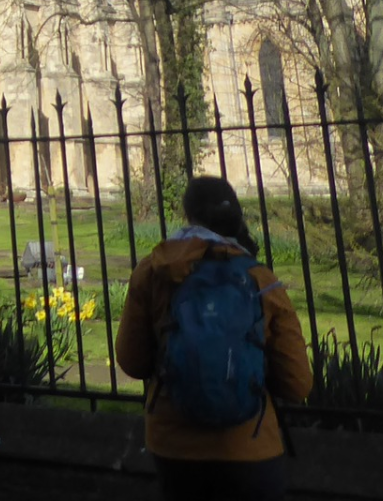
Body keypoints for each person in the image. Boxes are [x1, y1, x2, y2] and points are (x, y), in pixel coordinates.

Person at [116, 176, 313, 501]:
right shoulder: (261, 280)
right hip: (249, 446)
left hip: (173, 446)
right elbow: (298, 384)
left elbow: (131, 361)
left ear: (188, 215)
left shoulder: (153, 272)